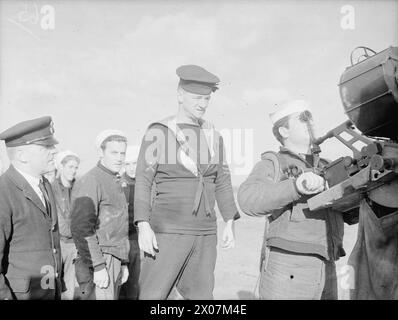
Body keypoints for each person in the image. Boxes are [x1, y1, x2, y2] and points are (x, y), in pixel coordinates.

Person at [134, 65, 240, 300]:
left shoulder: (214, 135)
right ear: (180, 95)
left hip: (205, 233)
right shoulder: (159, 132)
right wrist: (143, 224)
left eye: (207, 98)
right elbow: (143, 178)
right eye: (196, 98)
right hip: (168, 230)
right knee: (153, 296)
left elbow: (221, 179)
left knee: (202, 297)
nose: (202, 104)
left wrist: (230, 220)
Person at [238, 100, 354, 300]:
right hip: (289, 266)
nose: (310, 123)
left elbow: (349, 214)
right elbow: (248, 199)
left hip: (327, 264)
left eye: (311, 117)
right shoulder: (274, 163)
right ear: (284, 130)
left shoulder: (328, 165)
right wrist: (296, 186)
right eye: (303, 119)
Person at [0, 116, 62, 300]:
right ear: (22, 155)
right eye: (46, 147)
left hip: (48, 291)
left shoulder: (44, 184)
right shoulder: (3, 192)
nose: (54, 151)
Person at [70, 130, 129, 300]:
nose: (119, 158)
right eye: (113, 152)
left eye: (122, 153)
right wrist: (98, 266)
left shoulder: (114, 179)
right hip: (102, 257)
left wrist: (123, 262)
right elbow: (82, 228)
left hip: (114, 257)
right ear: (101, 153)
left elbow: (118, 226)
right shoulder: (92, 180)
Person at [52, 150, 80, 300]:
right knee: (53, 283)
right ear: (61, 167)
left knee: (69, 285)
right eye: (70, 167)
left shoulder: (80, 188)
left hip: (74, 244)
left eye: (76, 167)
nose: (74, 171)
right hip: (56, 243)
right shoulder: (50, 188)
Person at [119, 145, 140, 300]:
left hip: (143, 240)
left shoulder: (146, 184)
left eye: (135, 163)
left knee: (138, 282)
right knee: (124, 282)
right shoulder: (118, 185)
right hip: (125, 240)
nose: (132, 168)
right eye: (128, 164)